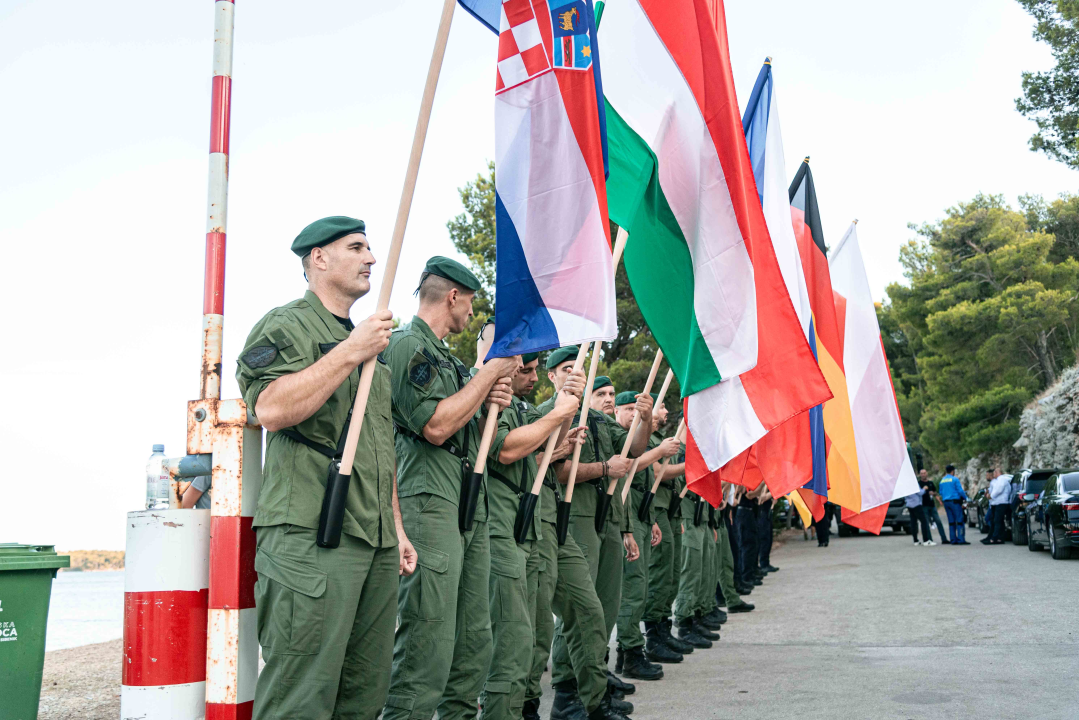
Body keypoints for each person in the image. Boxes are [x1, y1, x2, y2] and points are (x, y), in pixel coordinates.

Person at [236, 216, 416, 720]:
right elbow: (270, 408)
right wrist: (349, 351)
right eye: (356, 247)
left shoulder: (368, 341)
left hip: (374, 538)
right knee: (301, 694)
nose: (372, 259)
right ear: (319, 258)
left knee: (364, 695)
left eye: (370, 248)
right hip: (310, 535)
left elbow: (377, 443)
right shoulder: (287, 324)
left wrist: (397, 527)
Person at [381, 257, 518, 720]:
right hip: (429, 500)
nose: (473, 313)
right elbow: (436, 426)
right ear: (453, 296)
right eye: (471, 301)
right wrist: (485, 375)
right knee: (428, 639)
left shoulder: (451, 362)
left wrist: (489, 396)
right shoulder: (406, 347)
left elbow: (476, 435)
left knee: (472, 640)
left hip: (466, 502)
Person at [525, 351, 630, 720]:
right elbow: (530, 463)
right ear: (551, 378)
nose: (573, 376)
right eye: (566, 370)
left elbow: (633, 448)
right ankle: (557, 700)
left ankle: (592, 700)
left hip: (561, 523)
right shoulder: (541, 413)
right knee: (536, 626)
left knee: (591, 610)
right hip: (542, 523)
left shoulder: (593, 418)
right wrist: (591, 462)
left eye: (578, 371)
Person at [547, 360, 649, 714]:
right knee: (578, 607)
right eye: (601, 393)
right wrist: (605, 469)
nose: (607, 399)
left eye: (609, 393)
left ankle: (594, 677)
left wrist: (646, 417)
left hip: (603, 516)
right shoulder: (553, 413)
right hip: (573, 513)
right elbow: (558, 472)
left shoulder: (600, 423)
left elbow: (635, 447)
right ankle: (567, 686)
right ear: (552, 375)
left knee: (603, 605)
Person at [615, 392, 681, 671]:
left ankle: (649, 636)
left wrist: (650, 518)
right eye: (627, 408)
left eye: (636, 409)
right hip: (624, 514)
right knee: (632, 586)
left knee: (646, 582)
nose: (634, 414)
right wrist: (659, 451)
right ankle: (629, 650)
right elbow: (633, 468)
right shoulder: (624, 439)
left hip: (643, 511)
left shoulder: (641, 439)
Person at [642, 415, 696, 661]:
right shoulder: (645, 440)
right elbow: (658, 474)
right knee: (660, 575)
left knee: (671, 576)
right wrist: (693, 465)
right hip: (656, 510)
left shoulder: (659, 440)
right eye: (661, 406)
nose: (664, 411)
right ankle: (653, 637)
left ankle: (663, 629)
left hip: (668, 509)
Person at [938, 464, 969, 545]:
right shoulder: (955, 479)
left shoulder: (942, 480)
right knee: (959, 520)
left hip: (946, 502)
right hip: (954, 502)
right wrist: (966, 498)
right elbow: (960, 491)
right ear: (953, 471)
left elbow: (941, 492)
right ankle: (961, 539)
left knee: (951, 522)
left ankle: (953, 540)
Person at [983, 468, 1012, 545]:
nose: (993, 474)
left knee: (997, 520)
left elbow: (998, 490)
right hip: (997, 503)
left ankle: (994, 538)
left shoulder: (1002, 479)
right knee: (998, 521)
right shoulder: (998, 480)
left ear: (997, 472)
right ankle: (999, 538)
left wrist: (990, 496)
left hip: (1001, 503)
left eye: (994, 473)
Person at [919, 469, 948, 544]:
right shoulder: (919, 484)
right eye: (921, 473)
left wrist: (934, 494)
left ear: (927, 473)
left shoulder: (930, 483)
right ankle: (929, 539)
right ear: (920, 475)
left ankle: (944, 539)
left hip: (932, 505)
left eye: (924, 473)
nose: (923, 475)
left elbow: (935, 492)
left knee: (938, 521)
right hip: (923, 505)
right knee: (926, 523)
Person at [757, 486, 779, 573]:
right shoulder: (761, 485)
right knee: (764, 539)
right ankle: (763, 563)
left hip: (767, 512)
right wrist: (774, 493)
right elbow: (762, 497)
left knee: (769, 539)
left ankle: (766, 562)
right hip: (762, 513)